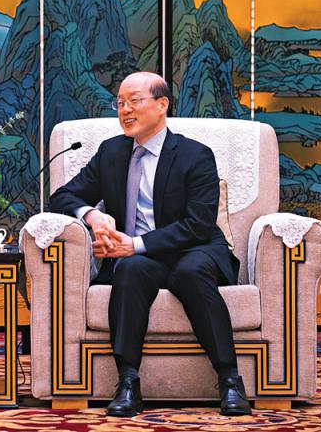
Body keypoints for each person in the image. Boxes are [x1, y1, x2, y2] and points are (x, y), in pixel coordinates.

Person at [49, 72, 251, 417]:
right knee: (129, 270)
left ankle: (230, 380)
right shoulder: (111, 152)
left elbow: (199, 224)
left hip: (194, 249)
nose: (125, 110)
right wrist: (92, 216)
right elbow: (63, 196)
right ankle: (128, 382)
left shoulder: (195, 154)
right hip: (141, 258)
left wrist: (135, 243)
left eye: (135, 101)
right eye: (120, 103)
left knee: (190, 272)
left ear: (162, 105)